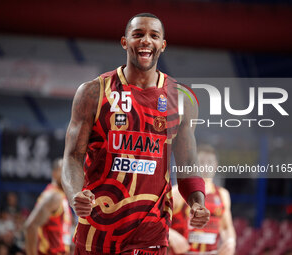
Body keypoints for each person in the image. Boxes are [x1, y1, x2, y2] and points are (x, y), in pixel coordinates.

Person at [62, 13, 210, 255]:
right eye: (138, 34)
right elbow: (72, 157)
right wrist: (75, 195)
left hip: (150, 231)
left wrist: (197, 203)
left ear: (163, 45)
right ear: (124, 42)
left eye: (154, 35)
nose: (145, 41)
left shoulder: (181, 99)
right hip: (97, 230)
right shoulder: (93, 93)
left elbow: (188, 164)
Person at [169, 145, 236, 255]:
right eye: (201, 162)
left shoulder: (222, 194)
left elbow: (226, 228)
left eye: (210, 162)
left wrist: (231, 241)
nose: (206, 166)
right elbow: (156, 223)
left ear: (216, 166)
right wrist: (171, 235)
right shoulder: (177, 192)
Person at [24, 158, 72, 255]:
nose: (67, 174)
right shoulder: (53, 196)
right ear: (54, 173)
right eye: (63, 169)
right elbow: (30, 226)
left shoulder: (61, 196)